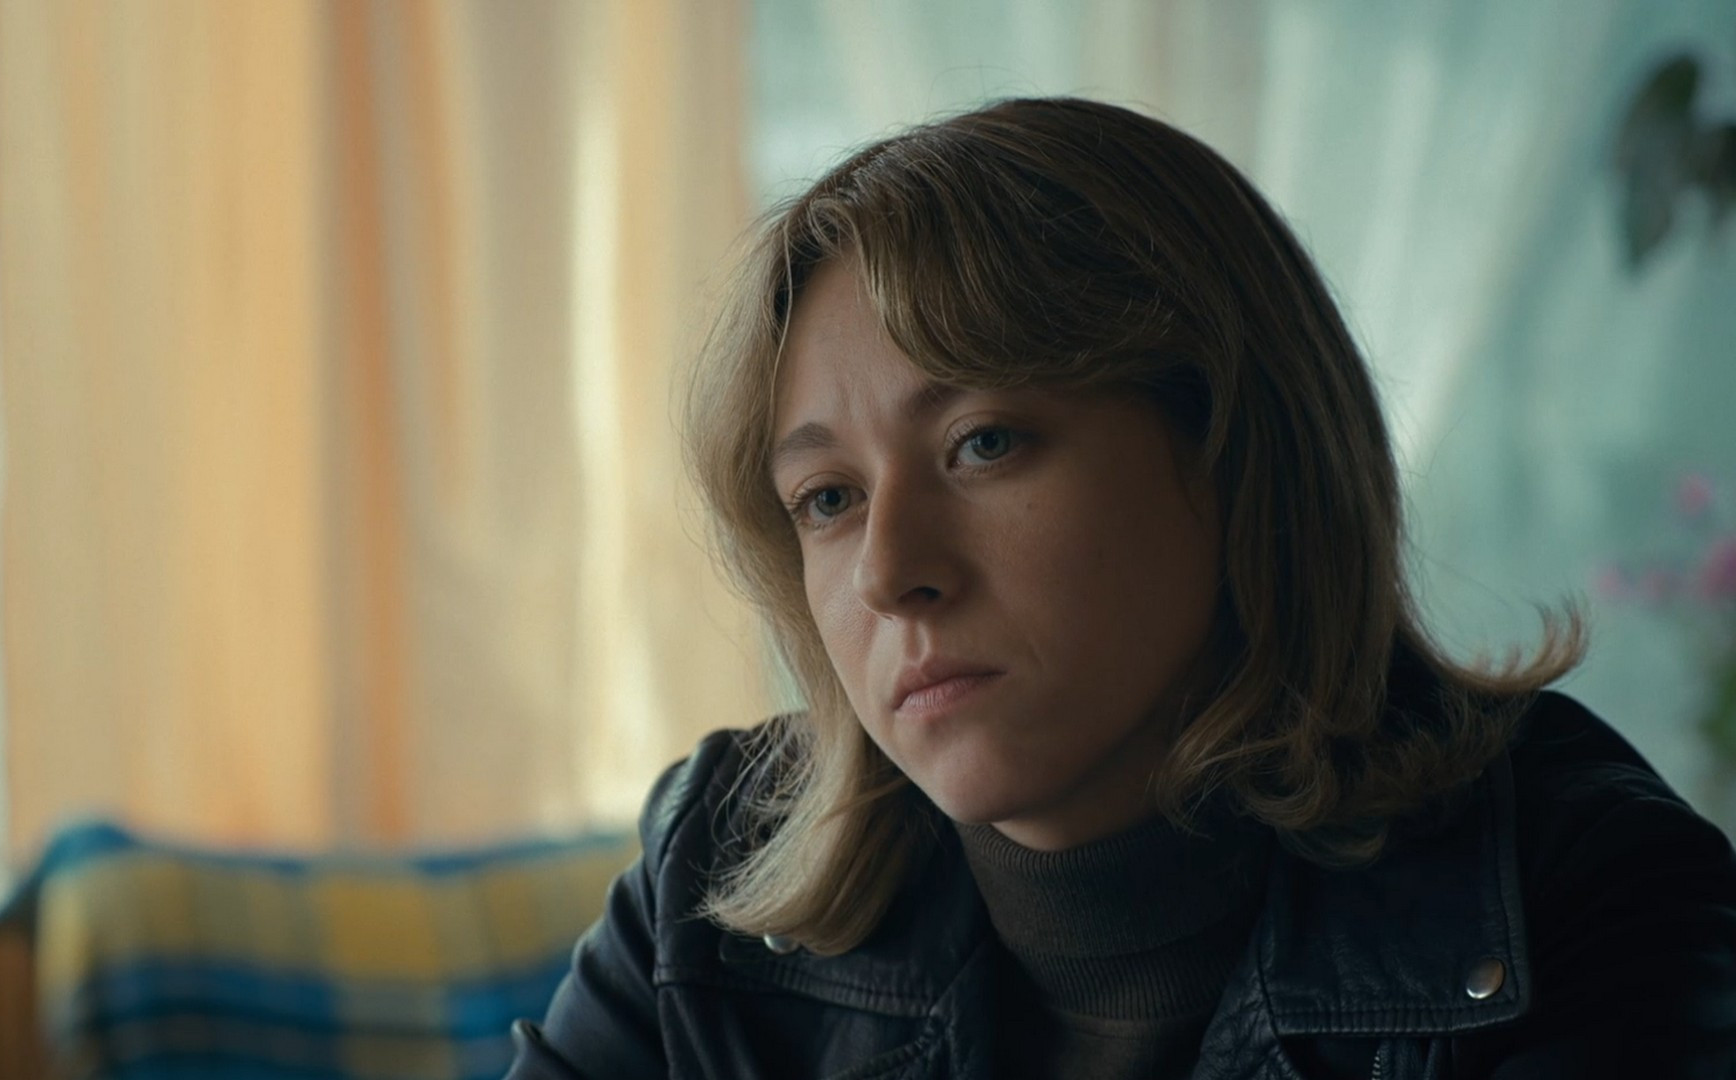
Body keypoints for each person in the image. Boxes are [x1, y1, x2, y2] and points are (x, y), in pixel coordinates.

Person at [504, 97, 1736, 1079]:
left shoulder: (1579, 898)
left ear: (1235, 450)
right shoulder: (711, 881)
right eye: (827, 498)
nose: (887, 573)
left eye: (984, 443)